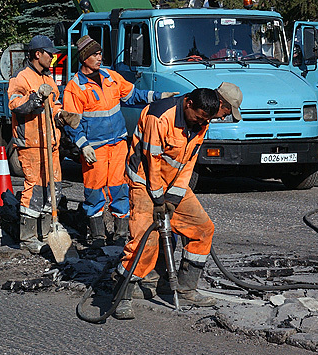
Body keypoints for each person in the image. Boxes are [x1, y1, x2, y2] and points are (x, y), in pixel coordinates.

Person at [113, 83, 243, 320]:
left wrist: (173, 196)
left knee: (203, 229)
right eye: (198, 117)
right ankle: (122, 295)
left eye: (206, 119)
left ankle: (185, 288)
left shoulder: (201, 121)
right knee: (146, 239)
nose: (201, 122)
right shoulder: (160, 116)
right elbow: (151, 160)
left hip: (172, 184)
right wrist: (158, 198)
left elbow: (188, 163)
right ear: (189, 104)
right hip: (144, 182)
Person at [63, 35, 178, 247]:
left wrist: (160, 96)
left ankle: (120, 234)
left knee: (119, 188)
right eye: (95, 54)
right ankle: (98, 236)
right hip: (94, 148)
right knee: (94, 191)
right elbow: (72, 122)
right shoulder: (75, 87)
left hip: (117, 144)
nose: (99, 58)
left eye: (99, 54)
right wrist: (83, 145)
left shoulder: (111, 77)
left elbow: (133, 95)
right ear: (84, 58)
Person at [8, 35, 80, 254]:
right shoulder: (22, 78)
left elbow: (54, 106)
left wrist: (62, 116)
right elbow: (15, 104)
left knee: (53, 188)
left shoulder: (48, 79)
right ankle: (28, 236)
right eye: (50, 54)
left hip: (50, 143)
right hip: (31, 143)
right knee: (35, 188)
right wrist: (35, 99)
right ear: (38, 54)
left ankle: (48, 230)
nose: (53, 57)